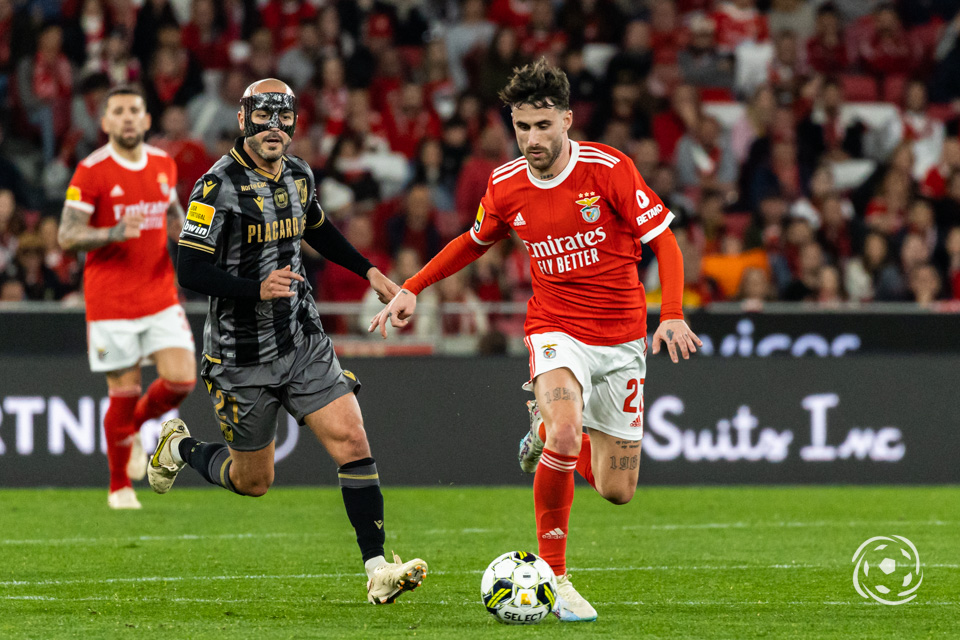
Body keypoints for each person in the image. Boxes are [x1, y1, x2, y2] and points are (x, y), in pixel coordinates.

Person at [370, 59, 700, 621]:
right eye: (522, 127)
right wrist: (413, 286)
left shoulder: (609, 169)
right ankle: (558, 577)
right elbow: (473, 243)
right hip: (556, 329)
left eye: (543, 126)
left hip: (621, 339)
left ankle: (542, 431)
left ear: (567, 121)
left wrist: (671, 313)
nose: (531, 139)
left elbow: (666, 243)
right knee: (570, 435)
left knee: (618, 490)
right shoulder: (505, 185)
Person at [149, 78, 427, 605]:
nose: (273, 127)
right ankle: (180, 447)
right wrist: (255, 288)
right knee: (254, 480)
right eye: (262, 115)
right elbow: (189, 268)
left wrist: (369, 271)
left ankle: (376, 568)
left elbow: (317, 228)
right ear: (242, 119)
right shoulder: (216, 186)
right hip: (239, 356)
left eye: (283, 116)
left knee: (353, 440)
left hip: (302, 340)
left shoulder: (299, 175)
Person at [58, 86, 196, 511]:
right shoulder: (91, 171)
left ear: (147, 119)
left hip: (159, 291)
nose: (128, 118)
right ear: (105, 123)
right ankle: (119, 485)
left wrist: (196, 240)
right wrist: (112, 232)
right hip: (111, 299)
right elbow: (66, 235)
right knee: (124, 389)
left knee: (182, 380)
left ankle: (133, 427)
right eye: (118, 111)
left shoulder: (163, 164)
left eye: (135, 110)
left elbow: (174, 218)